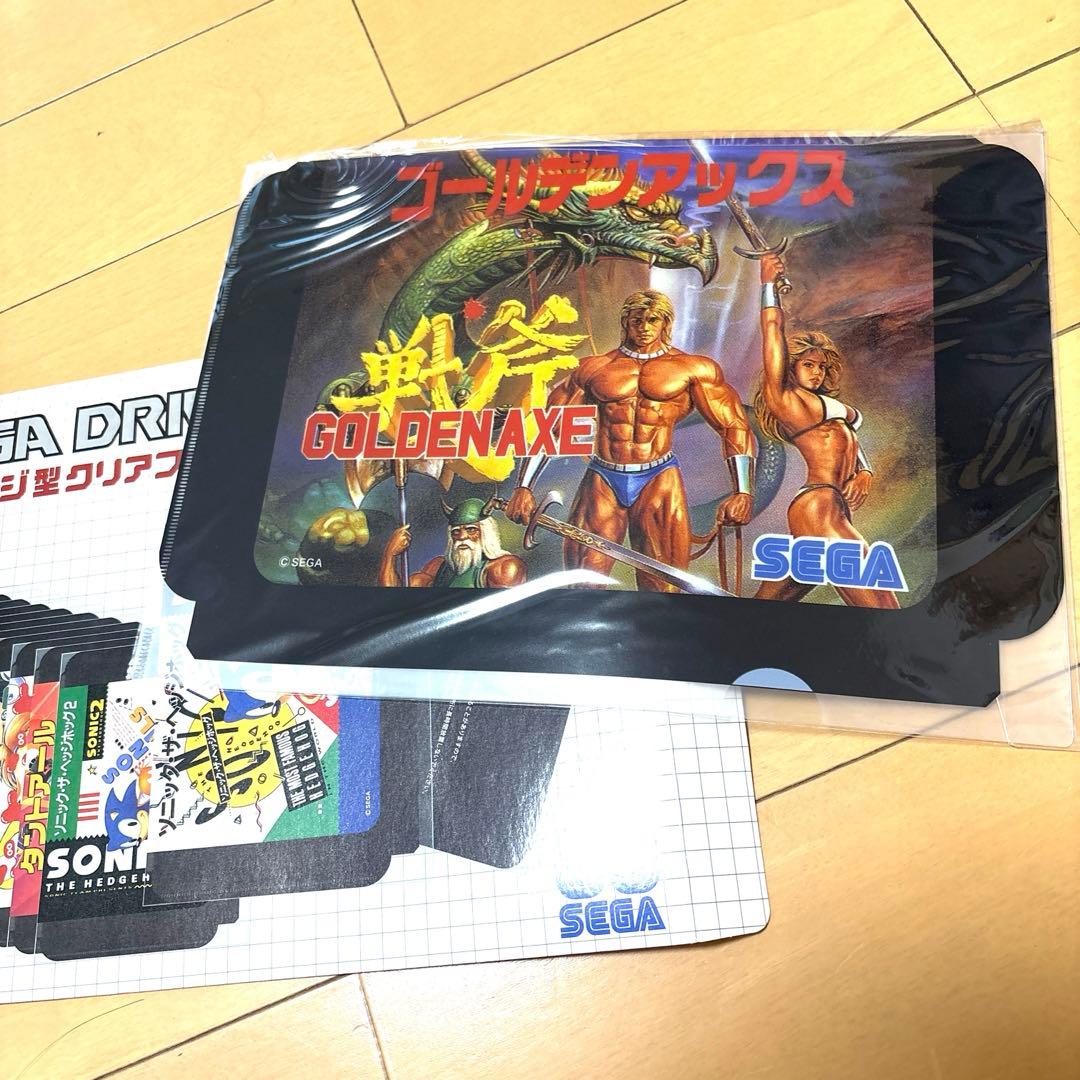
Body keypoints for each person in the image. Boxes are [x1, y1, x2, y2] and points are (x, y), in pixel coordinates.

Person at [505, 290, 754, 592]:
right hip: (603, 477)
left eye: (653, 320)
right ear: (626, 322)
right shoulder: (594, 368)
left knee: (663, 587)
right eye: (637, 320)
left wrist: (743, 491)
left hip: (658, 478)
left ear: (665, 323)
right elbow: (551, 426)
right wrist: (523, 486)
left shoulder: (693, 369)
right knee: (582, 583)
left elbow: (733, 425)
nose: (644, 327)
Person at [752, 252, 899, 608]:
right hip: (817, 506)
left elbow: (847, 438)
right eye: (808, 364)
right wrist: (768, 284)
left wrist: (864, 470)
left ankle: (730, 626)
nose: (817, 372)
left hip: (834, 505)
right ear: (790, 367)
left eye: (821, 366)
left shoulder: (826, 405)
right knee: (879, 601)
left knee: (769, 606)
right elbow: (772, 332)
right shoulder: (787, 400)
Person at [378, 497, 526, 588]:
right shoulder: (437, 567)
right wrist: (389, 554)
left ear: (486, 533)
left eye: (471, 530)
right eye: (456, 531)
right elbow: (395, 599)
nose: (462, 536)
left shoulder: (505, 568)